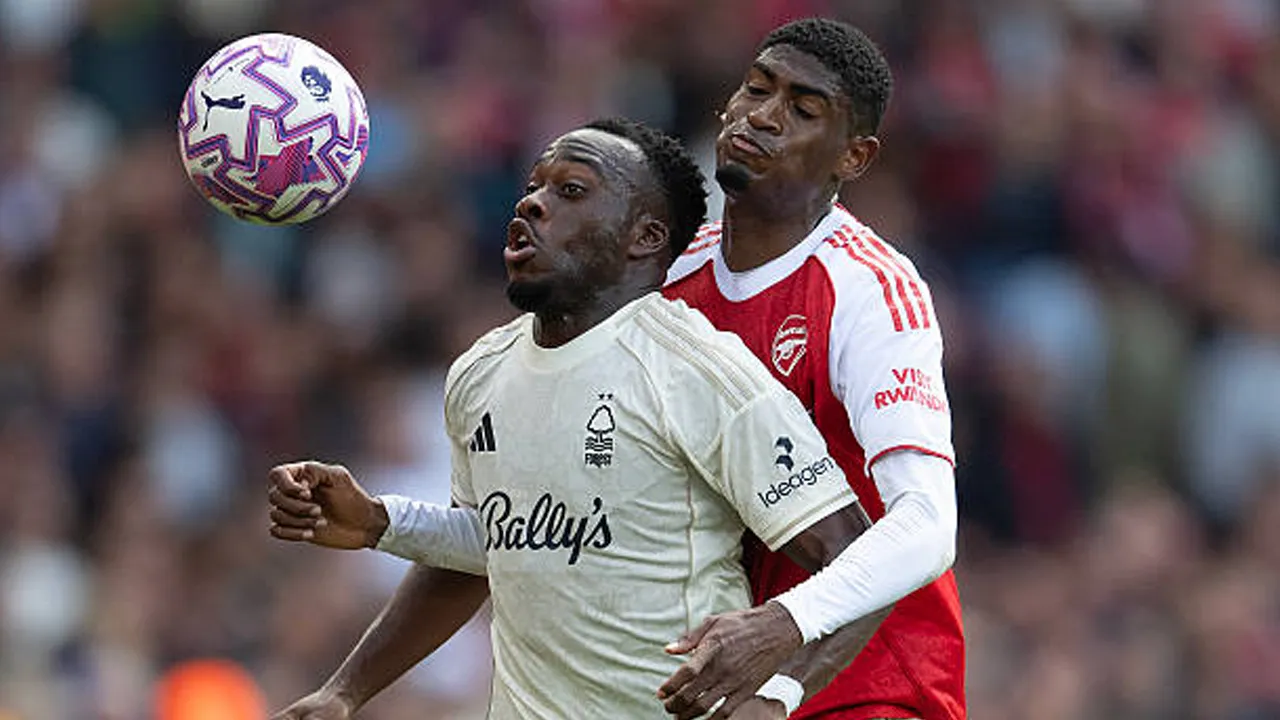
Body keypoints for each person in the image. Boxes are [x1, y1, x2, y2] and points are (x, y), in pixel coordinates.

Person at [274, 18, 964, 720]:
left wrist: (786, 632)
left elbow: (929, 525)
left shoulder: (868, 291)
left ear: (854, 157)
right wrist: (383, 535)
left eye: (802, 108)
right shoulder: (659, 282)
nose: (763, 115)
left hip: (868, 686)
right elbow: (522, 528)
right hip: (723, 683)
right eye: (757, 89)